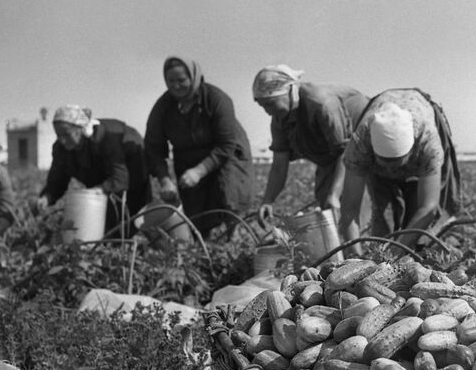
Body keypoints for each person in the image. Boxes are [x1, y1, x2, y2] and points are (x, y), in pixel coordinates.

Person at [339, 88, 462, 251]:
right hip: (375, 143)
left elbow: (428, 207)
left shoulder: (428, 144)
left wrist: (398, 249)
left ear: (411, 150)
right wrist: (356, 256)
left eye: (396, 162)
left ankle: (419, 250)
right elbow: (350, 208)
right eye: (385, 162)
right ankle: (381, 247)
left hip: (421, 116)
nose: (391, 169)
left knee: (419, 220)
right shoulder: (360, 143)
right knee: (382, 214)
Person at [144, 57, 254, 238]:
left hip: (226, 154)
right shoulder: (163, 107)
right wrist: (164, 179)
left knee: (229, 195)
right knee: (196, 211)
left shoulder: (216, 99)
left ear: (194, 77)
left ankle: (235, 237)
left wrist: (199, 171)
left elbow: (226, 144)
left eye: (181, 80)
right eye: (171, 81)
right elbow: (153, 147)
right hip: (188, 156)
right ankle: (204, 242)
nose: (176, 86)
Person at [253, 64, 370, 221]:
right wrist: (268, 200)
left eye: (270, 104)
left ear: (289, 92)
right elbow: (279, 165)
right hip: (331, 155)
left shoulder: (321, 103)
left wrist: (334, 194)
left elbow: (345, 153)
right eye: (262, 106)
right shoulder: (279, 118)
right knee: (327, 209)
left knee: (351, 207)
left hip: (361, 145)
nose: (267, 111)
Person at [35, 105, 151, 231]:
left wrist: (99, 190)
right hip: (101, 177)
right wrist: (47, 197)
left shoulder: (106, 139)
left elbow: (120, 178)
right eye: (58, 135)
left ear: (81, 129)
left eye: (67, 134)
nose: (62, 140)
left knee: (138, 216)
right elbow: (57, 180)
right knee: (101, 220)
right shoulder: (60, 149)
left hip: (132, 163)